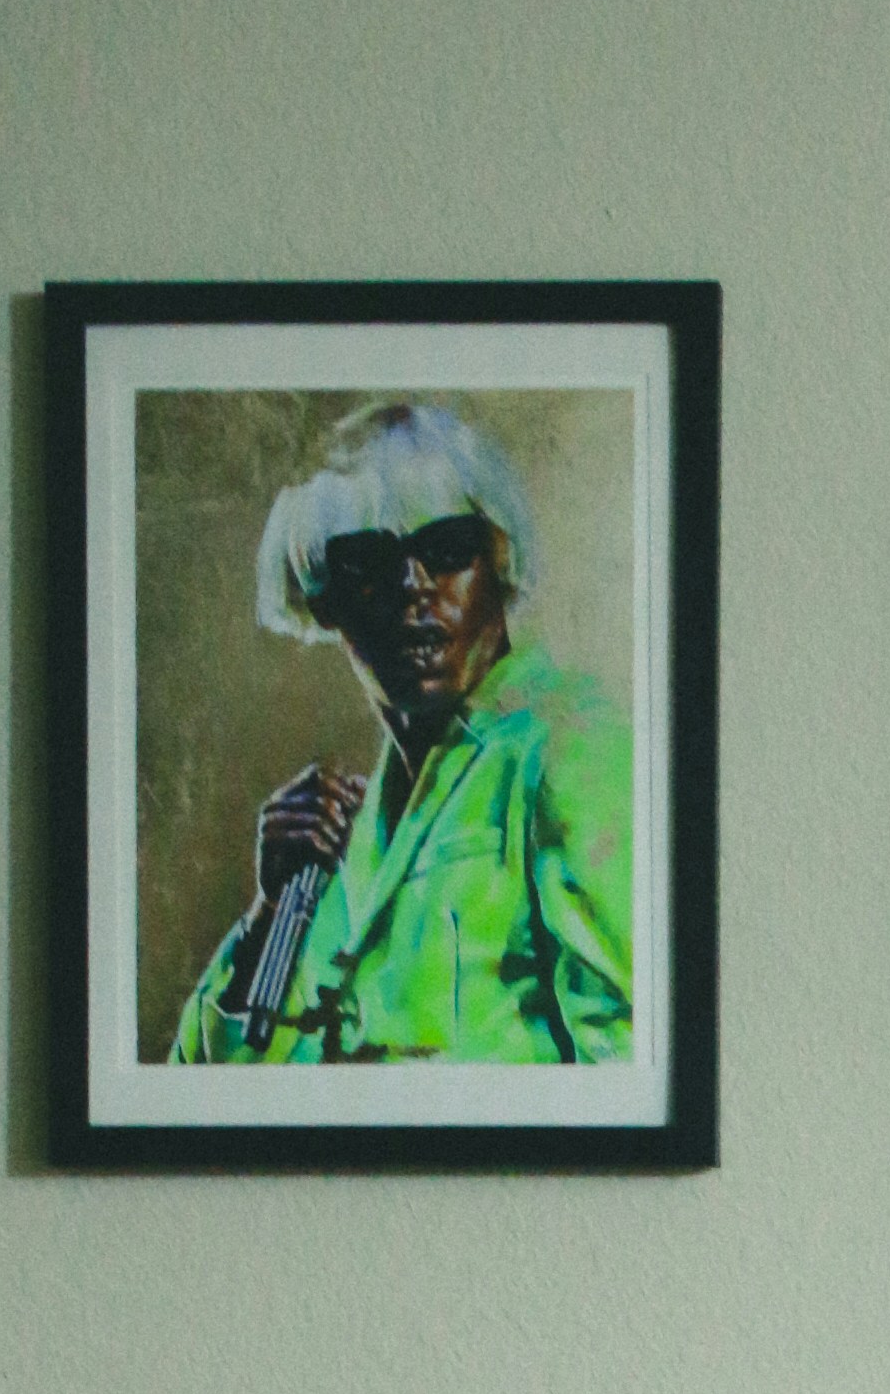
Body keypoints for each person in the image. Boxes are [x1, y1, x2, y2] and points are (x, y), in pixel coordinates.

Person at [172, 400, 630, 1065]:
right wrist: (270, 915)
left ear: (498, 564)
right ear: (322, 597)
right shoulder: (345, 831)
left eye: (446, 551)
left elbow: (626, 1062)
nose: (413, 585)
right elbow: (206, 1087)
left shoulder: (571, 748)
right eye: (367, 561)